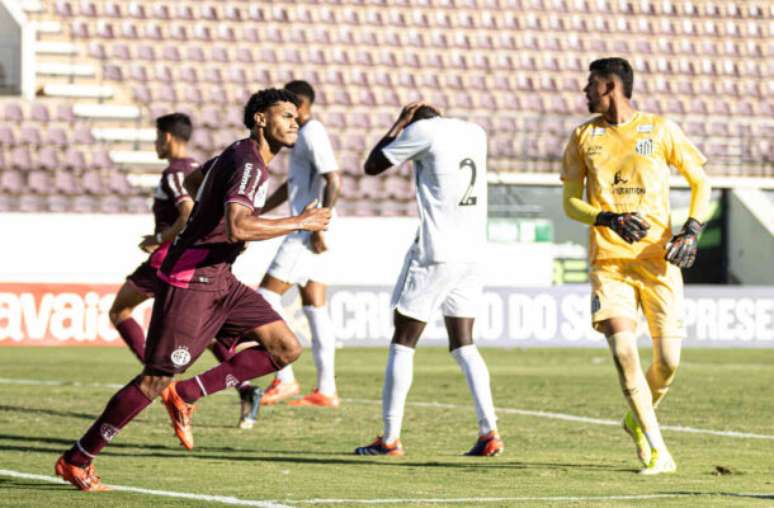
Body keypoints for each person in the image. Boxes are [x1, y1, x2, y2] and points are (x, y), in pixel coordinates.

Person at [55, 88, 331, 491]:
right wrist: (298, 223)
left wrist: (211, 214)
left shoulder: (237, 154)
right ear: (260, 119)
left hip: (221, 277)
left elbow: (196, 179)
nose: (294, 121)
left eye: (296, 117)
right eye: (286, 115)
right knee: (153, 381)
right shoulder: (251, 163)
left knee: (284, 347)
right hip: (192, 280)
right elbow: (238, 225)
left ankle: (187, 393)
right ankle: (77, 459)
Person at [561, 57, 710, 475]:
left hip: (659, 261)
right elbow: (570, 202)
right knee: (625, 350)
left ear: (611, 86)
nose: (584, 92)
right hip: (609, 261)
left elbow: (701, 181)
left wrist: (692, 229)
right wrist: (606, 218)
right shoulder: (582, 136)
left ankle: (634, 419)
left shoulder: (660, 130)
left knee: (668, 361)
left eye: (590, 84)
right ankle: (659, 449)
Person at [354, 102, 503, 457]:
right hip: (472, 252)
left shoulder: (420, 132)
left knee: (403, 340)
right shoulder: (474, 132)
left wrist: (398, 125)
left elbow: (372, 166)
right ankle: (489, 432)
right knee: (464, 342)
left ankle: (389, 439)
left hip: (437, 251)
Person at [108, 114, 262, 430]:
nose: (155, 144)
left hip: (171, 260)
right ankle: (245, 387)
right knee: (199, 332)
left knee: (120, 310)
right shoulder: (194, 167)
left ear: (167, 137)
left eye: (156, 137)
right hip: (190, 260)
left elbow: (187, 210)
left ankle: (158, 381)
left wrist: (159, 239)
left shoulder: (176, 172)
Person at [257, 80, 343, 408]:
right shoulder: (302, 136)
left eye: (290, 109)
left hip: (308, 228)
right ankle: (326, 389)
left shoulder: (311, 132)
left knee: (265, 296)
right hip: (313, 224)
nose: (287, 116)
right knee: (315, 307)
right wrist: (260, 210)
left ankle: (285, 377)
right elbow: (293, 185)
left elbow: (333, 177)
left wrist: (321, 223)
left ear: (301, 107)